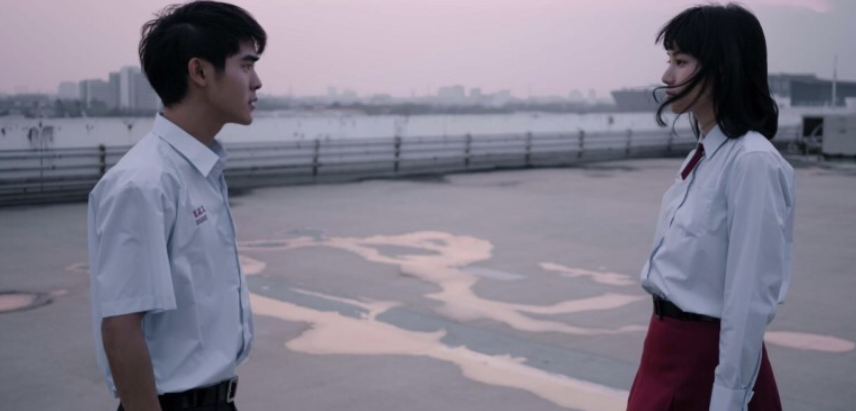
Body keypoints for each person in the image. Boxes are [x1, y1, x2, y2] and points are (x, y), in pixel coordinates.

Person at [87, 2, 266, 410]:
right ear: (199, 71)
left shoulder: (201, 170)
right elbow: (120, 328)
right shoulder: (144, 182)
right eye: (245, 66)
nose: (257, 82)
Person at [627, 4, 794, 411]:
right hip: (663, 348)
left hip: (706, 358)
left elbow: (749, 300)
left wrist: (729, 399)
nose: (667, 76)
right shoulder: (702, 156)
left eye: (681, 61)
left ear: (722, 68)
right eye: (669, 60)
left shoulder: (752, 162)